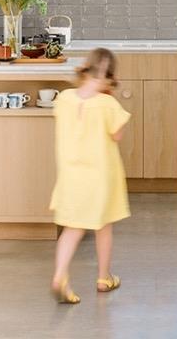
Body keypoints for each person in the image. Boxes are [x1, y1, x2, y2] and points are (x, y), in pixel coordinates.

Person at [49, 48, 132, 304]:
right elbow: (116, 135)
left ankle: (60, 275)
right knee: (103, 226)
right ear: (110, 77)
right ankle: (103, 277)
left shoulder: (64, 99)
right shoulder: (108, 104)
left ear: (85, 69)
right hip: (100, 178)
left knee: (72, 229)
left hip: (71, 176)